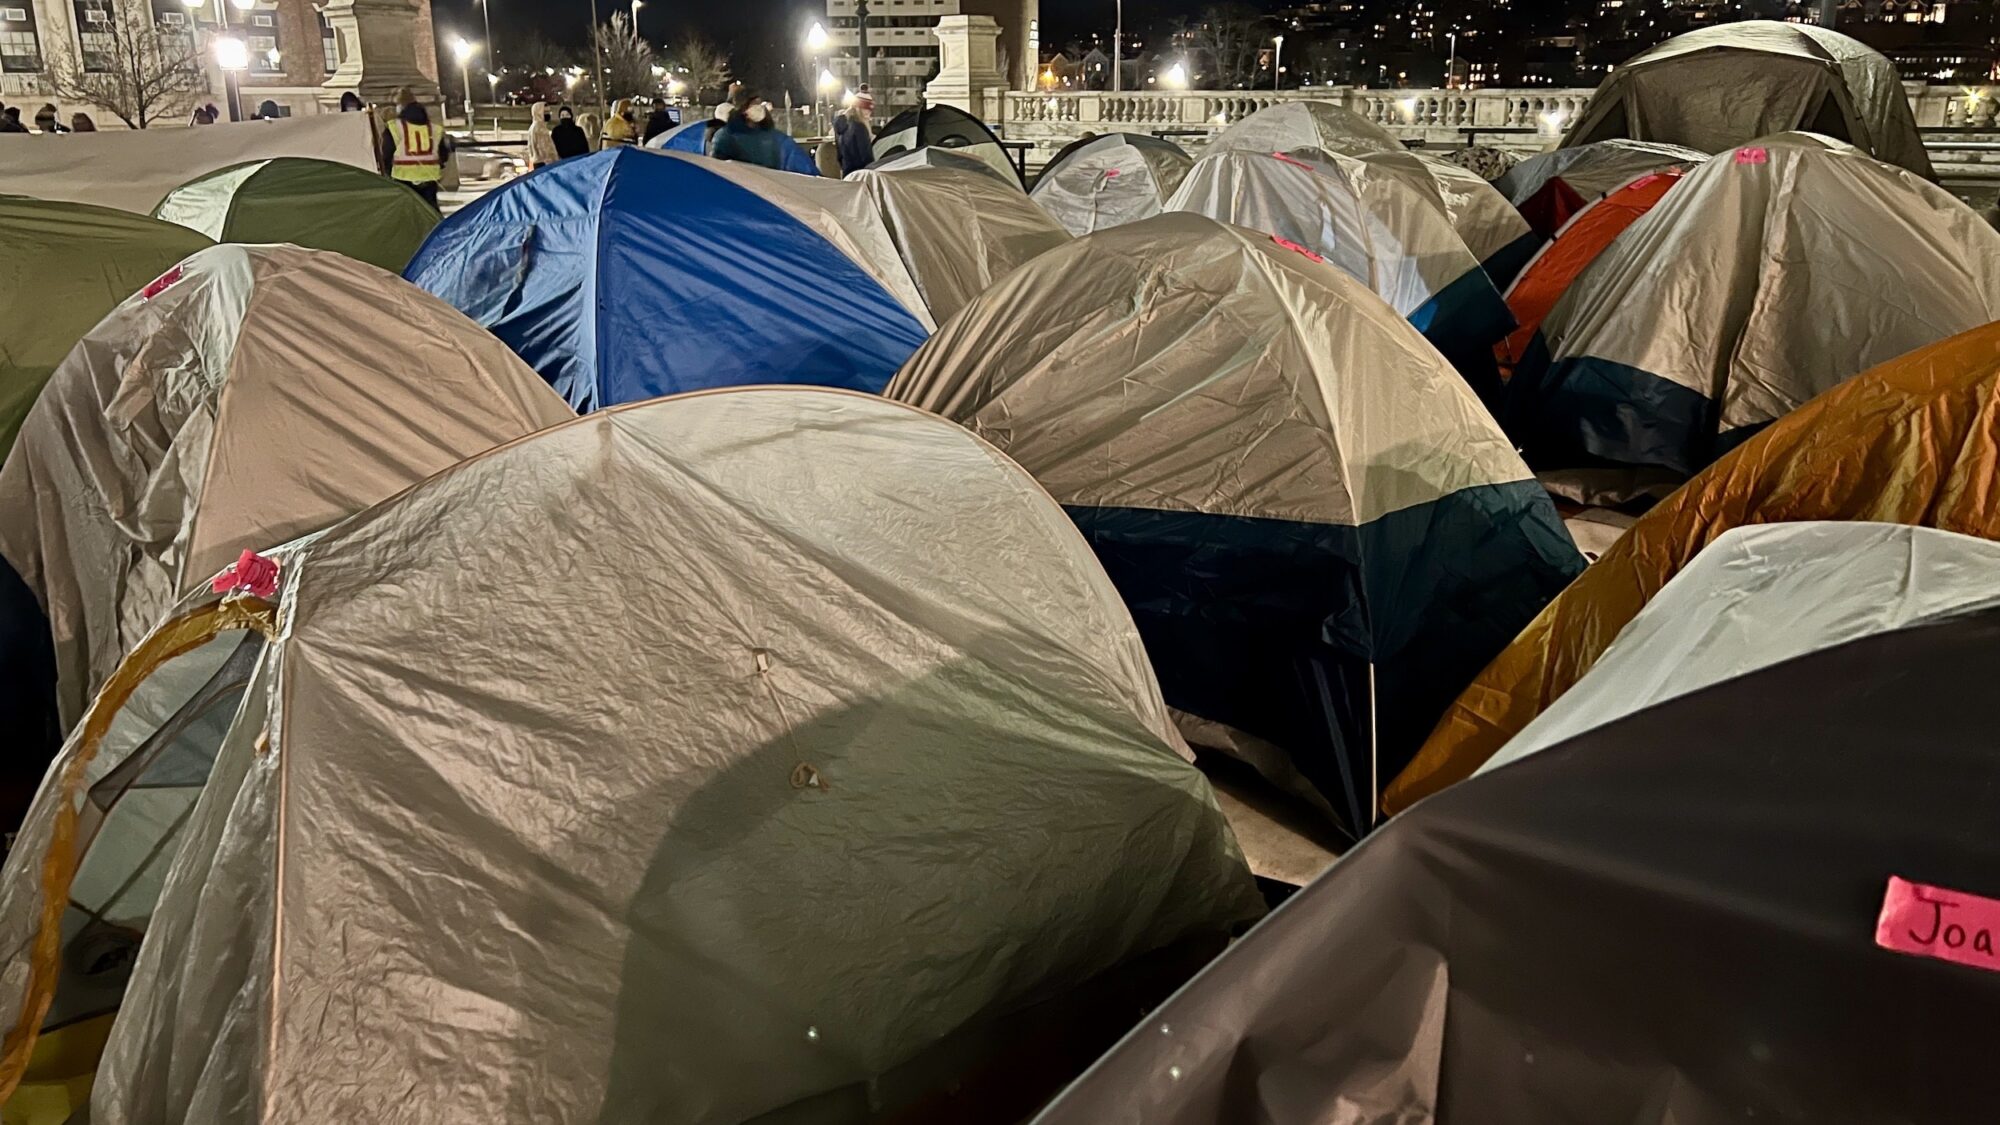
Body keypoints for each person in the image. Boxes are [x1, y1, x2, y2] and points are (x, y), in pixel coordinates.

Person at [384, 99, 444, 209]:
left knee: (406, 208)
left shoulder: (395, 127)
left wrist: (387, 170)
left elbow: (387, 152)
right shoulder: (435, 129)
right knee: (429, 209)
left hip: (402, 176)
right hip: (430, 177)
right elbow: (443, 152)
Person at [710, 89, 784, 169]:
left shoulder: (768, 134)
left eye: (759, 104)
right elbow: (718, 168)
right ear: (743, 108)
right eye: (754, 104)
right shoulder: (726, 135)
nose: (759, 108)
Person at [834, 90, 874, 175]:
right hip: (861, 175)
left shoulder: (843, 126)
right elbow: (866, 156)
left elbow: (839, 155)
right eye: (866, 108)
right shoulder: (860, 127)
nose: (869, 112)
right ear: (858, 108)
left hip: (848, 173)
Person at [526, 101, 557, 168]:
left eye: (548, 112)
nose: (548, 114)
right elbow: (544, 148)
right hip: (544, 163)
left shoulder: (533, 126)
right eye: (545, 112)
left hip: (537, 161)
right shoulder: (540, 128)